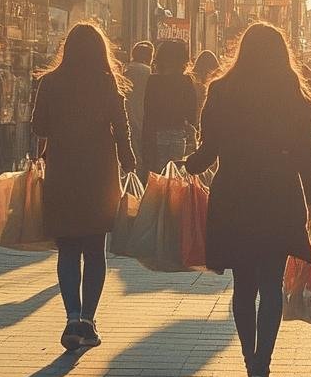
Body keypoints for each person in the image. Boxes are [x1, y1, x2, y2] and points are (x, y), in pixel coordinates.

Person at [183, 23, 311, 377]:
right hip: (279, 194)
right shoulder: (294, 93)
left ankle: (250, 367)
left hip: (235, 195)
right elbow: (307, 153)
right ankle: (264, 368)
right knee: (271, 285)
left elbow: (208, 149)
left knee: (243, 286)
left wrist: (186, 167)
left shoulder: (222, 90)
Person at [29, 23, 136, 352]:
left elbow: (39, 126)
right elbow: (121, 127)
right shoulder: (106, 83)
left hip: (62, 173)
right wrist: (129, 161)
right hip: (99, 176)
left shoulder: (50, 82)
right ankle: (88, 320)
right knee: (94, 249)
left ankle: (72, 317)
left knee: (68, 249)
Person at [142, 38, 197, 172]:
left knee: (159, 175)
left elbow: (148, 112)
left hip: (156, 133)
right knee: (176, 175)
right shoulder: (186, 81)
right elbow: (192, 113)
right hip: (179, 132)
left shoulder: (153, 81)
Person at [124, 41, 154, 178]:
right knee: (145, 152)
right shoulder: (150, 73)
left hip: (128, 115)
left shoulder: (126, 71)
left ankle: (132, 181)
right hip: (146, 116)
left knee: (133, 150)